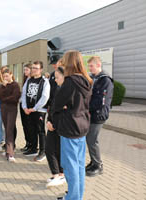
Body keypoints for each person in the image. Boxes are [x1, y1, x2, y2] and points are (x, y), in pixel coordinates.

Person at [50, 50, 93, 200]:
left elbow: (56, 105)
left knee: (70, 167)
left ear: (69, 63)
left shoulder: (70, 82)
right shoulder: (86, 80)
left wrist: (57, 117)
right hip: (82, 126)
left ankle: (73, 197)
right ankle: (77, 196)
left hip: (70, 128)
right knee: (79, 166)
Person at [86, 56, 114, 177]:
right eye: (89, 66)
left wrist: (87, 108)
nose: (89, 68)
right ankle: (93, 162)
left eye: (91, 66)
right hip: (91, 113)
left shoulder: (105, 80)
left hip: (98, 115)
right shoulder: (93, 78)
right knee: (89, 139)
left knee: (92, 140)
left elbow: (100, 101)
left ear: (98, 65)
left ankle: (98, 165)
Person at [21, 61, 50, 162]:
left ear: (41, 70)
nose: (33, 70)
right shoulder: (29, 80)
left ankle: (43, 151)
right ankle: (33, 149)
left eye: (36, 68)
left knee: (40, 131)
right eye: (32, 68)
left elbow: (45, 97)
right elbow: (24, 94)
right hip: (28, 110)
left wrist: (35, 108)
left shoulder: (45, 81)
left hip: (39, 110)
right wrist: (24, 107)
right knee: (31, 129)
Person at [45, 67, 66, 187]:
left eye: (57, 78)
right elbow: (52, 107)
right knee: (50, 149)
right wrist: (49, 121)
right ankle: (56, 174)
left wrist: (55, 124)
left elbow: (66, 111)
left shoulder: (67, 91)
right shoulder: (57, 88)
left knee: (56, 150)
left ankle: (60, 174)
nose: (56, 80)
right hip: (52, 123)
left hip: (60, 126)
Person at [0, 69, 21, 162]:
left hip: (12, 109)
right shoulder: (3, 85)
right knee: (7, 128)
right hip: (3, 109)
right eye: (4, 76)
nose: (5, 78)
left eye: (7, 76)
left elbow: (15, 97)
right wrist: (3, 87)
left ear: (11, 75)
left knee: (9, 129)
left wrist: (4, 99)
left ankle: (10, 154)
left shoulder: (15, 85)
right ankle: (9, 148)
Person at [20, 64, 32, 152]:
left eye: (27, 70)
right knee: (25, 126)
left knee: (29, 126)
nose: (25, 72)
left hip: (28, 107)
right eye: (24, 70)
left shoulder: (32, 80)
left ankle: (31, 144)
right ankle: (27, 143)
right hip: (22, 105)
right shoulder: (26, 79)